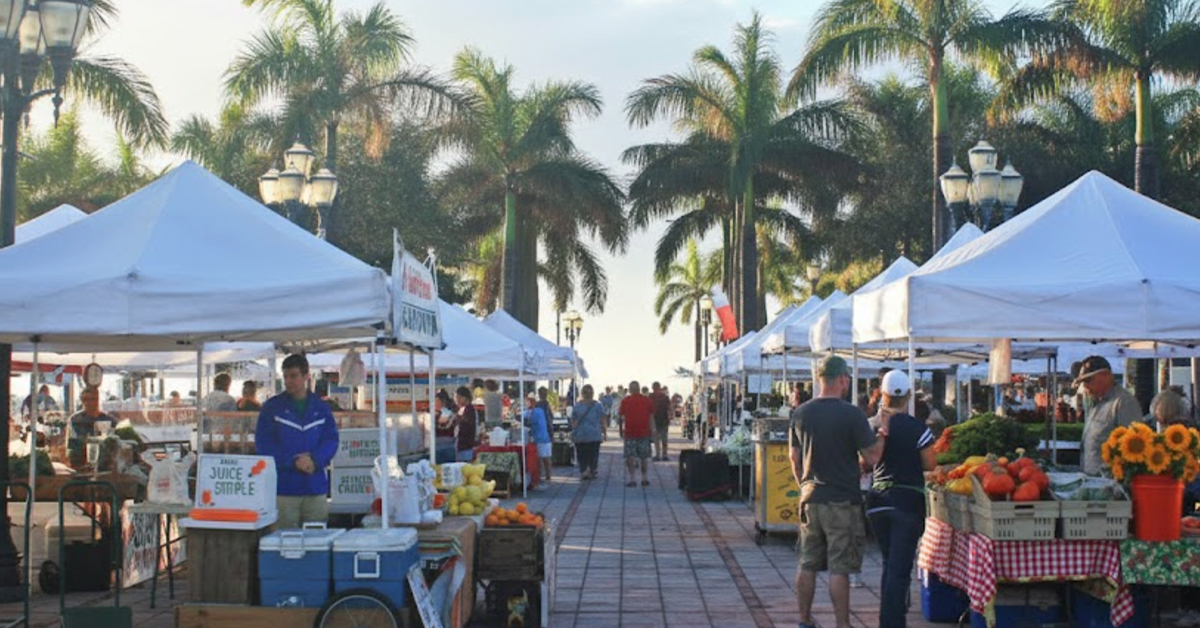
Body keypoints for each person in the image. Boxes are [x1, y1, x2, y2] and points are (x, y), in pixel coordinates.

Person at [790, 356, 886, 628]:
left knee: (807, 563)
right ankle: (842, 625)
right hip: (842, 500)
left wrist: (805, 486)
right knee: (839, 567)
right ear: (843, 379)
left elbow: (793, 459)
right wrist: (885, 433)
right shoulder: (852, 414)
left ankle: (804, 621)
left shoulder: (801, 413)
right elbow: (874, 456)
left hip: (810, 498)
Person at [865, 371, 935, 628]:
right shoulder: (918, 428)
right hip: (907, 505)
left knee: (890, 563)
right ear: (908, 396)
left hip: (877, 503)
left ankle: (893, 613)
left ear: (882, 394)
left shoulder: (872, 425)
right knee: (898, 569)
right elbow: (930, 463)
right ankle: (892, 622)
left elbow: (864, 462)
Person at [255, 354, 339, 529]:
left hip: (315, 488)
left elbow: (331, 440)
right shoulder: (272, 408)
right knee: (284, 543)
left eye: (293, 376)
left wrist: (315, 459)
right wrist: (293, 461)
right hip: (284, 489)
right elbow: (264, 444)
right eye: (285, 376)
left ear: (306, 376)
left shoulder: (321, 407)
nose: (288, 381)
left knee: (316, 543)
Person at [1075, 356, 1141, 476]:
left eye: (1089, 380)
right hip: (1093, 480)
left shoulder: (1124, 402)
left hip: (1110, 484)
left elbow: (1134, 449)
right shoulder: (1097, 402)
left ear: (1106, 375)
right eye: (1083, 382)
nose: (1085, 387)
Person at [67, 386, 116, 470]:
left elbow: (115, 442)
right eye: (85, 399)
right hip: (81, 464)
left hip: (105, 465)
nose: (89, 403)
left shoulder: (109, 420)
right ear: (82, 401)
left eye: (93, 399)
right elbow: (72, 445)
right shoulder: (76, 420)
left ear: (98, 400)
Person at [619, 380, 655, 487]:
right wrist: (653, 430)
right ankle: (644, 478)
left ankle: (633, 479)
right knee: (644, 456)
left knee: (630, 456)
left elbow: (621, 417)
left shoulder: (625, 401)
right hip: (644, 432)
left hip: (630, 432)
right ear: (639, 389)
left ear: (630, 389)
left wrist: (621, 430)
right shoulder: (647, 400)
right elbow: (651, 416)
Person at [571, 384, 606, 480]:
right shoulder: (598, 405)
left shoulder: (577, 406)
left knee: (581, 454)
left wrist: (574, 432)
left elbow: (573, 421)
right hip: (594, 434)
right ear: (592, 393)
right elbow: (603, 420)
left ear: (582, 393)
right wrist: (604, 432)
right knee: (593, 454)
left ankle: (583, 471)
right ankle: (592, 470)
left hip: (580, 435)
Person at [525, 393, 553, 485]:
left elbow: (531, 423)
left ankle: (541, 476)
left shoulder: (534, 412)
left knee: (540, 458)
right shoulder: (539, 411)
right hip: (545, 437)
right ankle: (547, 475)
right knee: (546, 458)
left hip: (540, 438)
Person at [453, 386, 478, 462]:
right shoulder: (462, 409)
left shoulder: (469, 410)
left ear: (465, 397)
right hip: (461, 445)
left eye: (459, 397)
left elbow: (466, 424)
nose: (457, 400)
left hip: (466, 446)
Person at [649, 382, 672, 461]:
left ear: (653, 388)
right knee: (664, 438)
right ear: (659, 387)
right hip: (664, 419)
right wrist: (669, 418)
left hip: (654, 419)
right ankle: (664, 455)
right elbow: (669, 408)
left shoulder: (650, 396)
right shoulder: (665, 397)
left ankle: (658, 455)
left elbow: (648, 409)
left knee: (656, 439)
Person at [434, 389, 458, 463]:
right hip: (440, 445)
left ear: (443, 402)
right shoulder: (436, 414)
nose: (435, 404)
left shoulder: (448, 413)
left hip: (447, 445)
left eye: (436, 401)